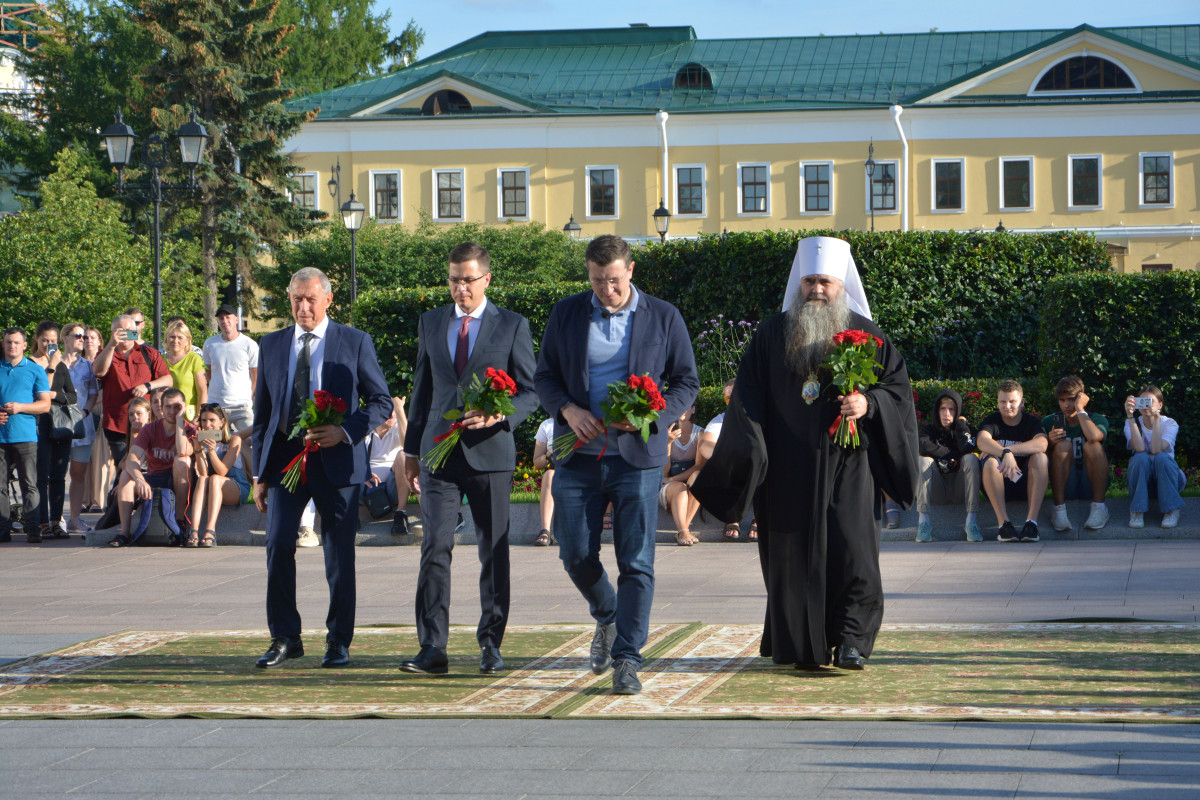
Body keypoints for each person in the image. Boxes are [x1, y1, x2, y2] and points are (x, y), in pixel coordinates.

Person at [693, 236, 919, 672]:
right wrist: (752, 456)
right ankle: (799, 644)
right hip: (787, 470)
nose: (817, 290)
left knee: (854, 552)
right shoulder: (771, 335)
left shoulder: (868, 335)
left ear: (841, 286)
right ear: (800, 283)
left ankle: (852, 641)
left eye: (826, 283)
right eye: (810, 281)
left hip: (851, 468)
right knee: (792, 558)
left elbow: (898, 394)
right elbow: (748, 400)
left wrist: (868, 405)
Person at [534, 234, 699, 694]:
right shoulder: (567, 313)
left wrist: (653, 417)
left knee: (637, 561)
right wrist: (568, 410)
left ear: (631, 270)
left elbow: (686, 382)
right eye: (597, 281)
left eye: (613, 280)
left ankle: (628, 657)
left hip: (637, 458)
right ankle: (607, 614)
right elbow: (544, 376)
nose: (606, 290)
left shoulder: (663, 316)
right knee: (575, 553)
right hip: (578, 455)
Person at [400, 242, 538, 676]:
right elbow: (422, 389)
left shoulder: (512, 325)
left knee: (493, 552)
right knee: (435, 546)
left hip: (490, 455)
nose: (461, 288)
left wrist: (502, 413)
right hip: (439, 454)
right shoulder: (431, 321)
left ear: (487, 280)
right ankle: (432, 649)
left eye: (469, 280)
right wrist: (409, 449)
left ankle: (491, 646)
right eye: (454, 280)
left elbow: (532, 392)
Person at [251, 267, 392, 669]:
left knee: (338, 552)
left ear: (328, 300)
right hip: (284, 461)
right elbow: (263, 413)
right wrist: (260, 475)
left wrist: (344, 432)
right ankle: (284, 637)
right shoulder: (273, 344)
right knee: (278, 544)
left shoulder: (354, 341)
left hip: (337, 460)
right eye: (296, 299)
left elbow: (380, 402)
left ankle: (338, 641)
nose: (303, 307)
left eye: (311, 299)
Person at [111, 387, 195, 547]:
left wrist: (179, 421)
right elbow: (131, 459)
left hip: (179, 480)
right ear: (161, 408)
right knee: (126, 475)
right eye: (168, 407)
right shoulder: (150, 429)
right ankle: (124, 532)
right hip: (154, 479)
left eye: (176, 407)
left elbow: (184, 451)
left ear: (183, 407)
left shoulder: (190, 429)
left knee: (181, 460)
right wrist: (139, 479)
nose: (172, 411)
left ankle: (179, 521)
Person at [93, 314, 173, 468]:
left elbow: (168, 380)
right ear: (113, 333)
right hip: (117, 423)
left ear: (135, 331)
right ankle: (122, 491)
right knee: (123, 467)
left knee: (148, 466)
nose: (125, 334)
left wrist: (147, 386)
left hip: (146, 423)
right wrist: (111, 345)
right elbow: (99, 372)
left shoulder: (148, 353)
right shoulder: (106, 353)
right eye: (120, 330)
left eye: (129, 330)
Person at [978, 380, 1049, 543]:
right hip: (996, 484)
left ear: (1022, 402)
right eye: (1002, 401)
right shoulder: (991, 422)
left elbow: (1042, 443)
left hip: (1026, 484)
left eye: (1012, 401)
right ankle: (1004, 525)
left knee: (1040, 457)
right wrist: (1004, 453)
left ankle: (1031, 524)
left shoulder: (1031, 423)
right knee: (989, 462)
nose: (1007, 406)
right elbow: (982, 441)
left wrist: (1009, 451)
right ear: (997, 402)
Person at [0, 327, 52, 544]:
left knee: (29, 483)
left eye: (16, 342)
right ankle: (3, 529)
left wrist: (20, 407)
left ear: (24, 345)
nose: (12, 346)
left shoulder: (35, 369)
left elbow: (45, 405)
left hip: (25, 435)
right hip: (1, 437)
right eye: (8, 342)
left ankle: (33, 529)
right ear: (3, 343)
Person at [30, 321, 79, 540]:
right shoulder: (30, 364)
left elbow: (73, 396)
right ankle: (42, 522)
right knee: (41, 475)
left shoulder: (60, 365)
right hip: (39, 422)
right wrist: (50, 366)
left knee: (59, 475)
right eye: (45, 340)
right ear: (36, 339)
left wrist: (55, 396)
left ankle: (56, 521)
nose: (49, 344)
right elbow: (36, 393)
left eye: (52, 341)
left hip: (60, 423)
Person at [1043, 376, 1110, 532]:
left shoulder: (1097, 419)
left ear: (1082, 398)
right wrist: (1050, 442)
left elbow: (1094, 437)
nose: (1066, 405)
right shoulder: (1050, 421)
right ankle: (1059, 511)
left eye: (1071, 399)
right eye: (1062, 400)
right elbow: (1041, 457)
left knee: (1093, 446)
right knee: (1063, 445)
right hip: (1065, 483)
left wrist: (1080, 409)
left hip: (1092, 482)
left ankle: (1099, 508)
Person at [916, 388, 982, 542]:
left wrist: (961, 425)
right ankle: (923, 522)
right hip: (937, 489)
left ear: (958, 411)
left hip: (960, 488)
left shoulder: (965, 430)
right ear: (937, 411)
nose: (947, 414)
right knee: (923, 460)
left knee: (971, 458)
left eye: (951, 410)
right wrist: (955, 452)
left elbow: (967, 446)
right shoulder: (928, 431)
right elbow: (924, 447)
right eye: (943, 409)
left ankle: (971, 521)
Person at [203, 304, 259, 472]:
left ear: (236, 319)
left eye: (228, 317)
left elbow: (255, 376)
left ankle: (254, 483)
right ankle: (219, 480)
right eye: (221, 318)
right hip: (217, 408)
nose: (225, 321)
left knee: (249, 445)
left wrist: (250, 398)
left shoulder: (249, 345)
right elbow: (210, 373)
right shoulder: (210, 344)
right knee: (211, 445)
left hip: (242, 407)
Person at [701, 380, 758, 542]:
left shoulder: (758, 419)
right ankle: (732, 518)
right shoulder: (719, 421)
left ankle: (759, 518)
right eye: (727, 399)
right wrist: (726, 458)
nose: (731, 402)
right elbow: (705, 445)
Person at [186, 403, 250, 547]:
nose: (207, 425)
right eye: (203, 420)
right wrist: (198, 450)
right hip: (212, 487)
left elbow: (222, 471)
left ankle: (210, 530)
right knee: (203, 479)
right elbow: (203, 473)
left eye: (212, 420)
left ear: (222, 422)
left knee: (215, 479)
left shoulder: (233, 440)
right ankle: (193, 531)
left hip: (235, 486)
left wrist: (212, 451)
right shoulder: (202, 440)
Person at [1123, 385, 1186, 529]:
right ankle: (1137, 510)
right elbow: (1138, 448)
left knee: (1161, 458)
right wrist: (1131, 417)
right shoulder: (1130, 423)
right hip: (1144, 483)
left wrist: (1156, 419)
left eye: (1150, 401)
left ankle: (1171, 509)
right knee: (1140, 458)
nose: (1147, 405)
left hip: (1169, 481)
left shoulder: (1169, 423)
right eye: (1142, 401)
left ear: (1160, 405)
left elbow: (1157, 449)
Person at [60, 322, 99, 533]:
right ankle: (56, 518)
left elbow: (93, 393)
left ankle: (75, 518)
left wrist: (86, 412)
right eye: (77, 336)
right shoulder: (54, 364)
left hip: (82, 426)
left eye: (83, 337)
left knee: (78, 473)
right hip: (58, 425)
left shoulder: (88, 365)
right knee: (55, 474)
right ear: (64, 338)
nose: (81, 340)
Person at [661, 405, 703, 546]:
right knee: (680, 488)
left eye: (686, 406)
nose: (682, 409)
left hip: (685, 481)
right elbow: (664, 473)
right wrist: (668, 443)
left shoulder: (700, 433)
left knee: (698, 477)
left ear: (693, 409)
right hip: (670, 485)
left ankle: (683, 529)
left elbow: (698, 466)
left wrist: (672, 479)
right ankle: (684, 531)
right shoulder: (666, 431)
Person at [163, 320, 208, 420]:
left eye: (180, 337)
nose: (175, 341)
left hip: (188, 418)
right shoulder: (160, 360)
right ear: (166, 339)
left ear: (187, 340)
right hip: (166, 417)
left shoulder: (194, 359)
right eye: (172, 337)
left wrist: (200, 416)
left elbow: (202, 391)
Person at [531, 417, 557, 546]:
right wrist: (549, 454)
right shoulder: (547, 425)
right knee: (549, 475)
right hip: (556, 467)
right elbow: (537, 463)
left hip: (579, 466)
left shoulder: (582, 418)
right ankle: (545, 529)